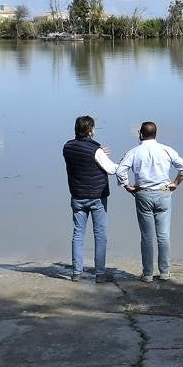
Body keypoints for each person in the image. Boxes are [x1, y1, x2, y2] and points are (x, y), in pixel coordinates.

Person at [117, 121, 183, 282]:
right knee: (163, 235)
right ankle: (164, 272)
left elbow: (121, 170)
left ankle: (148, 274)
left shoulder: (134, 152)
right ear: (156, 134)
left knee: (147, 236)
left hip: (143, 193)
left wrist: (127, 186)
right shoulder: (166, 150)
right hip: (164, 192)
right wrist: (175, 183)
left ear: (141, 134)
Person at [63, 115, 121, 283]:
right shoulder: (96, 151)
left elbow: (82, 154)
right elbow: (111, 169)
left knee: (78, 234)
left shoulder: (67, 147)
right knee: (100, 234)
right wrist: (124, 162)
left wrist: (98, 151)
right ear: (90, 131)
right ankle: (100, 273)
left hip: (77, 196)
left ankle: (76, 272)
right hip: (97, 197)